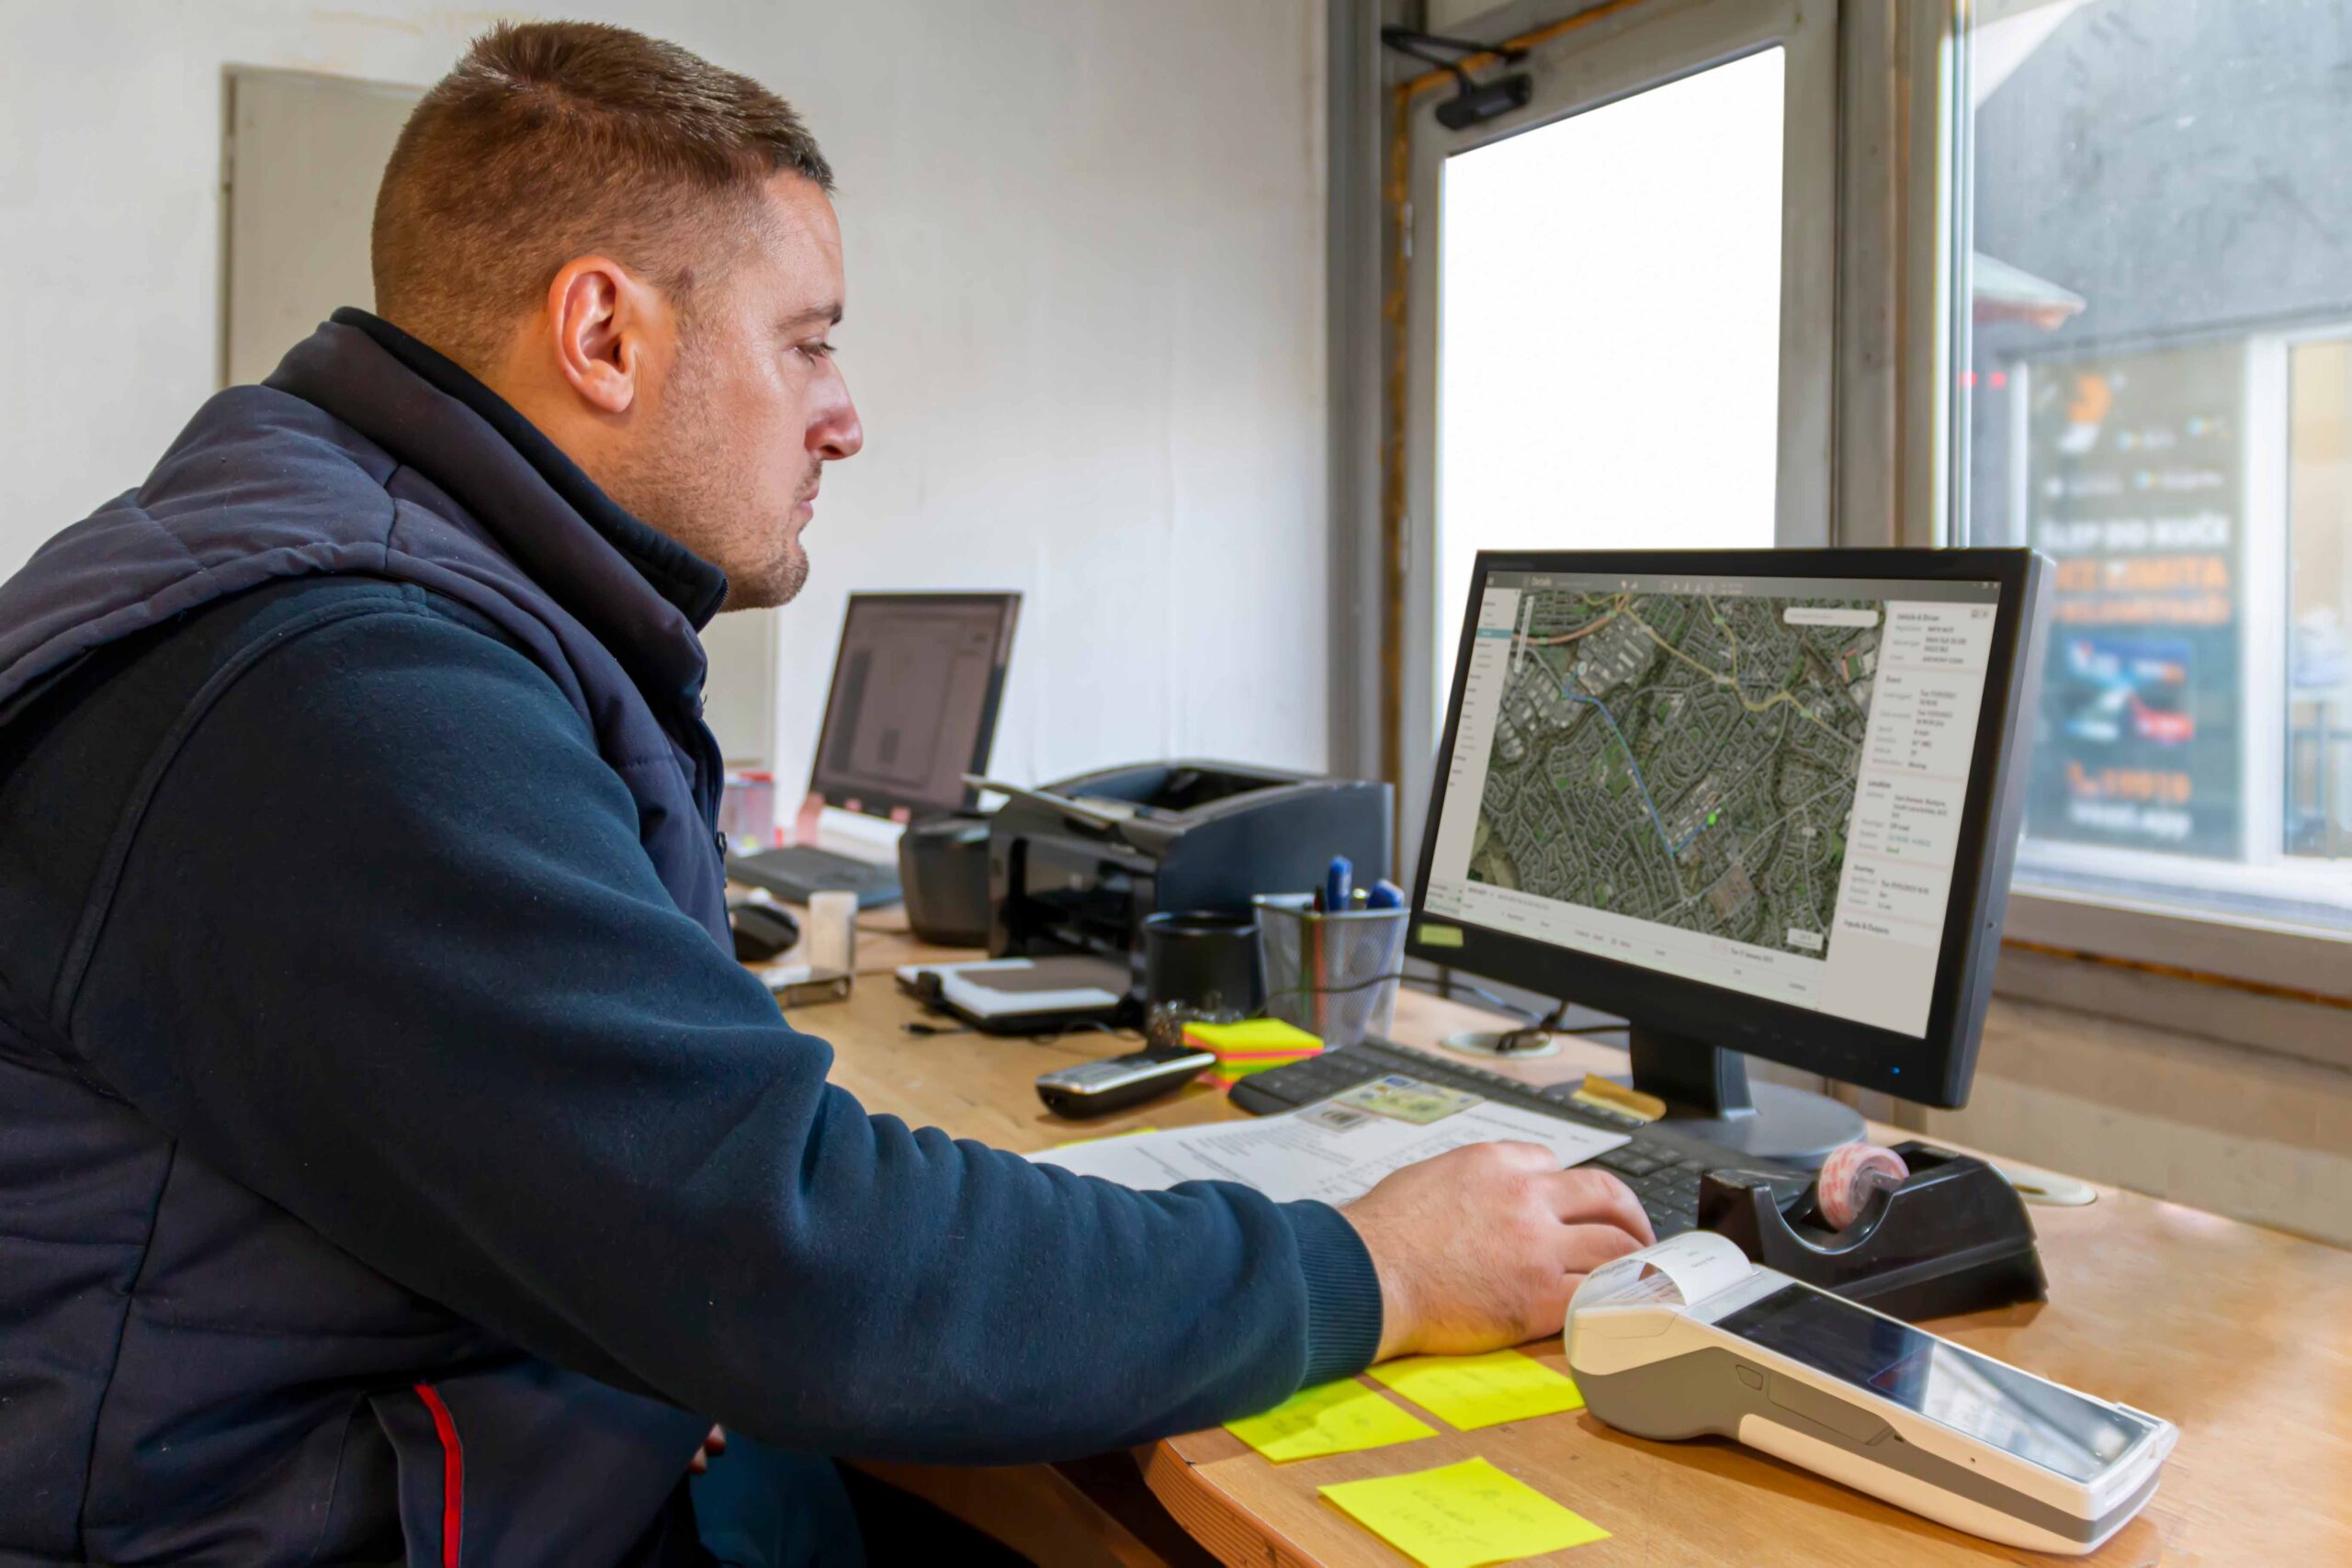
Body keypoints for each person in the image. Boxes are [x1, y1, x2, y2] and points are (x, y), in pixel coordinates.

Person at [0, 22, 1652, 1567]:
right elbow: (793, 1253)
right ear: (603, 335)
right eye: (806, 345)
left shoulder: (370, 586)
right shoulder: (348, 687)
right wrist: (1371, 1266)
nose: (845, 417)